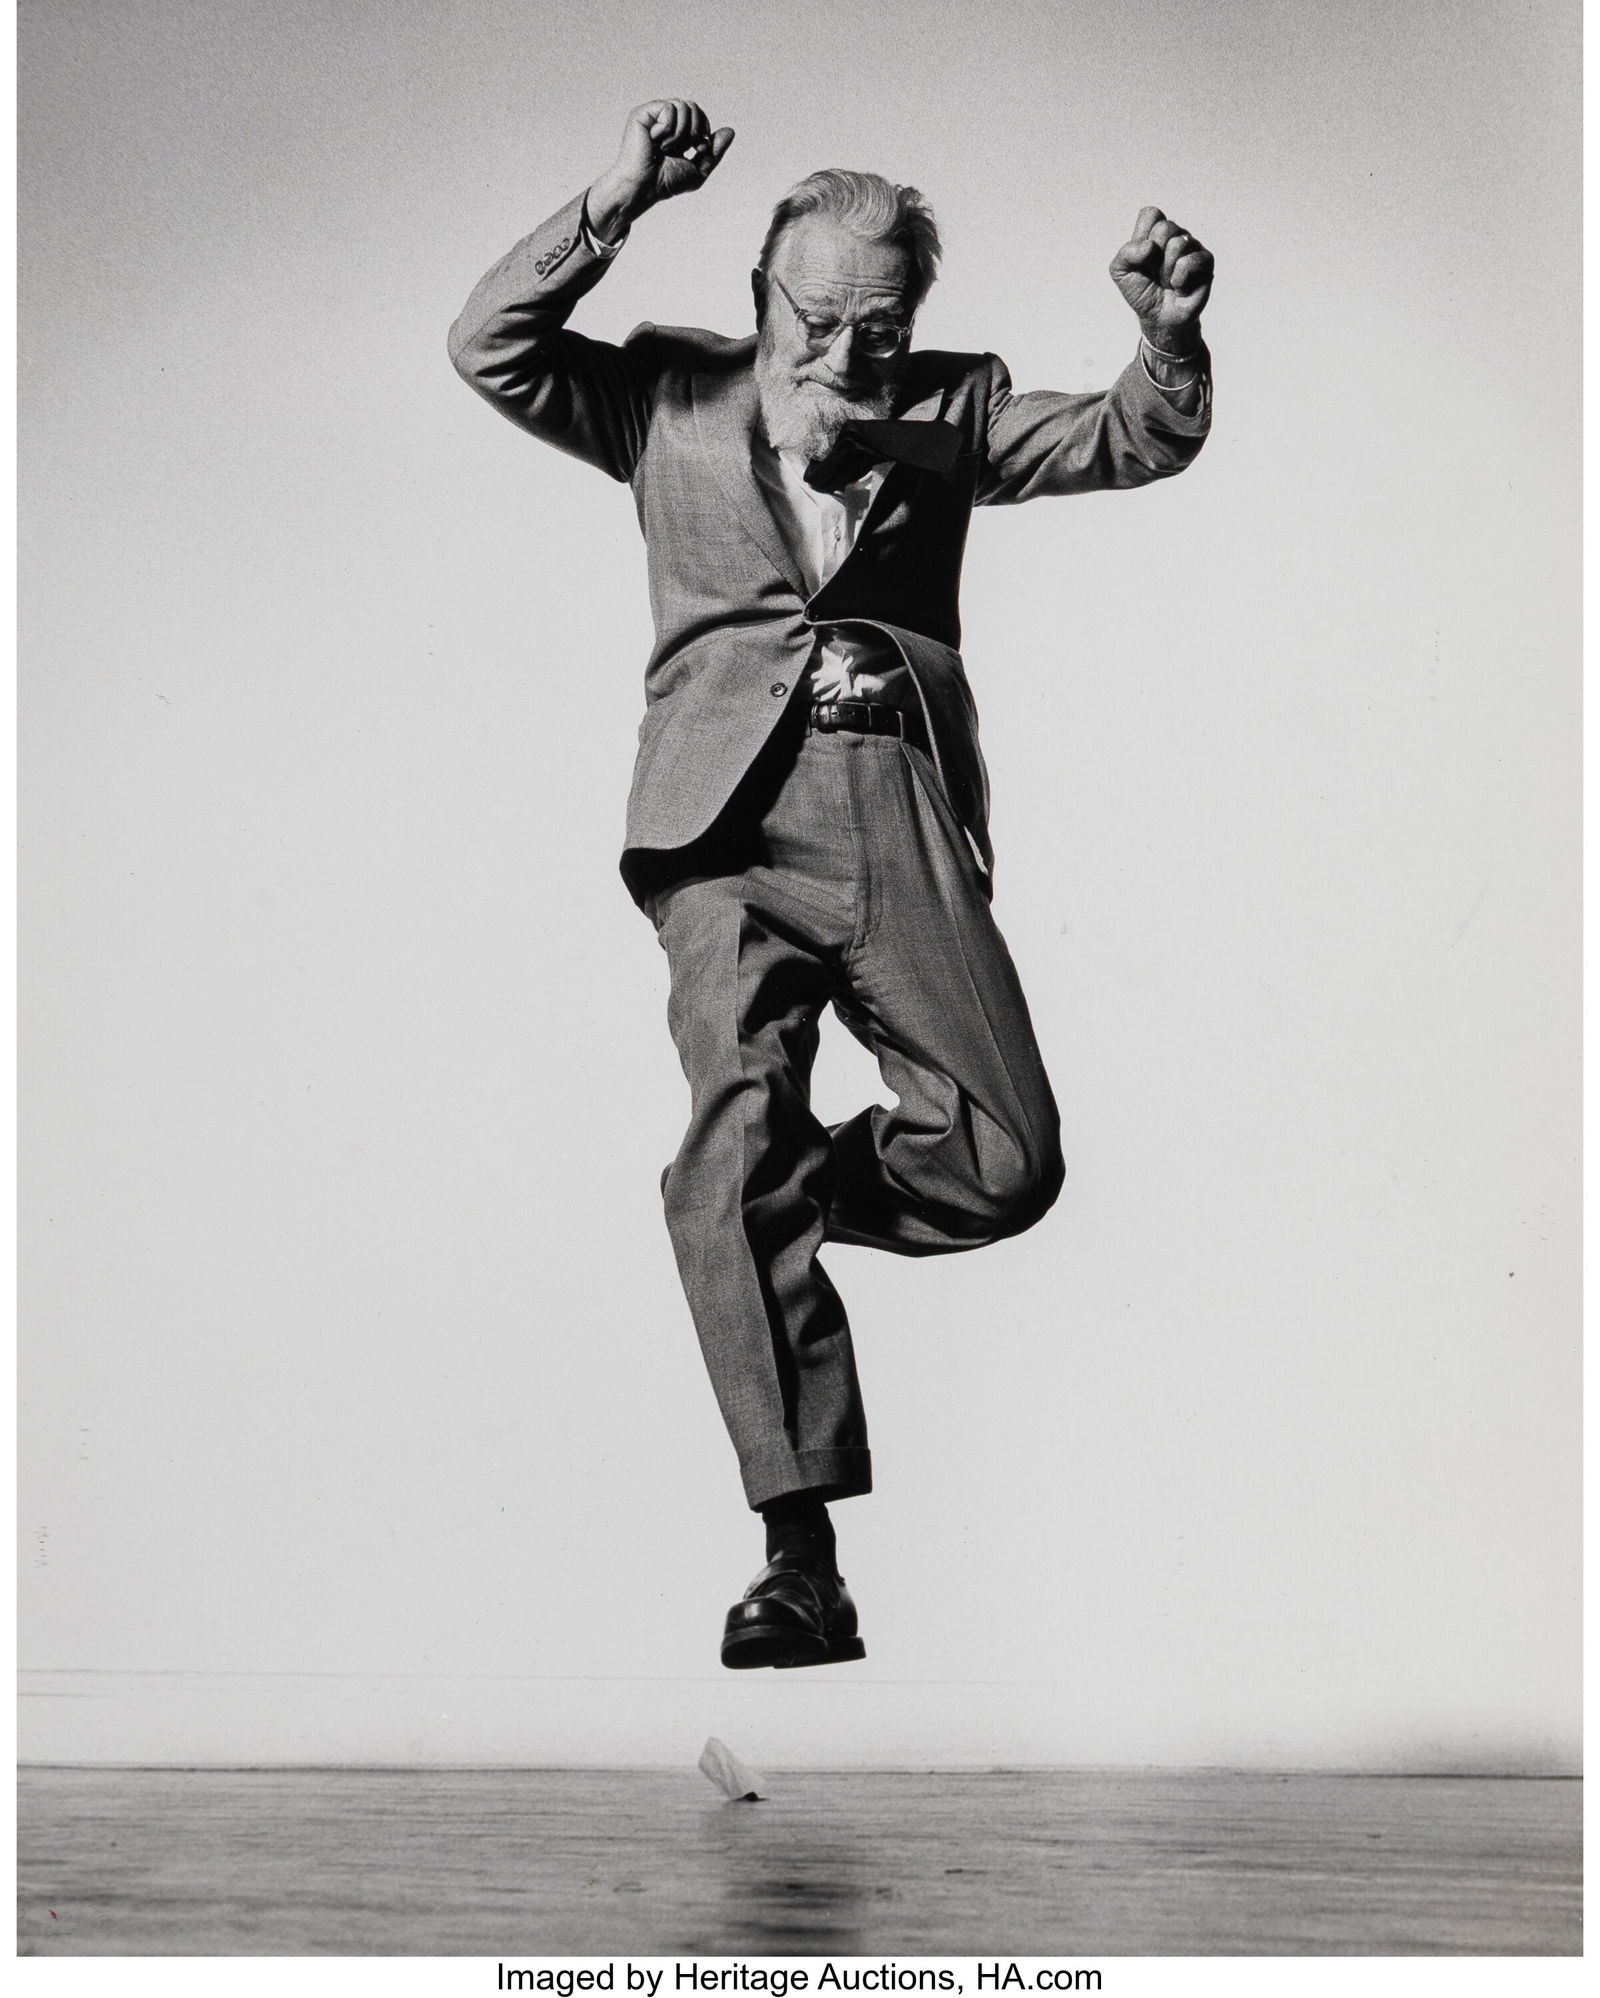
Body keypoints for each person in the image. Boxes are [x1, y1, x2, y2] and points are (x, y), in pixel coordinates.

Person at [449, 99, 1214, 1670]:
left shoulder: (951, 408)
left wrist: (1166, 337)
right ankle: (801, 1553)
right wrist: (613, 199)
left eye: (885, 324)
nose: (851, 354)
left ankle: (772, 1205)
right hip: (718, 826)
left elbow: (1135, 434)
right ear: (763, 292)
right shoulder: (665, 395)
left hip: (890, 802)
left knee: (1010, 1157)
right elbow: (491, 344)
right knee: (731, 1135)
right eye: (821, 318)